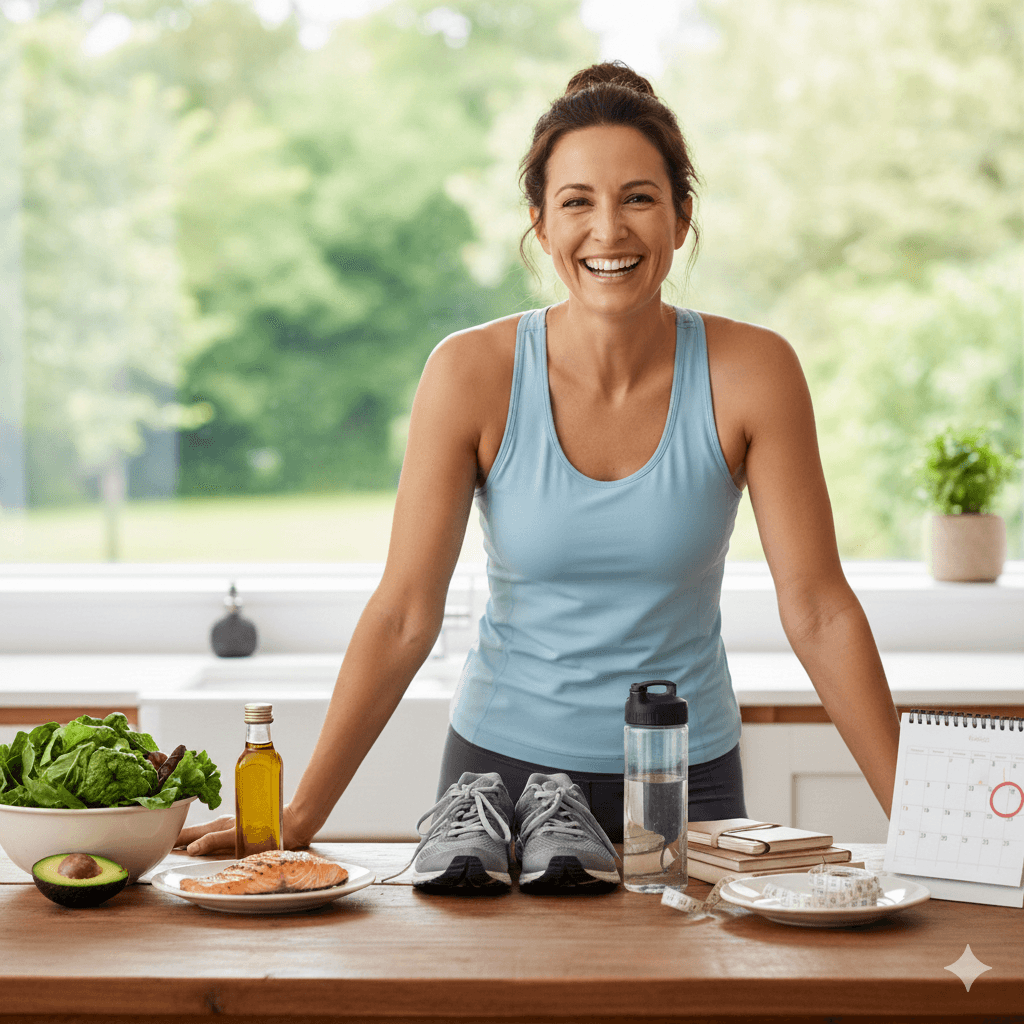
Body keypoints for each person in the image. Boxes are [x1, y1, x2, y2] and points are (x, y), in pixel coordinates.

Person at [178, 62, 900, 886]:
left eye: (637, 197)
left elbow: (819, 610)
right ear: (541, 224)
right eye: (577, 202)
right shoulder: (470, 373)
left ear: (681, 215)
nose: (609, 231)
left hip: (685, 783)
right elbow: (405, 615)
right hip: (498, 785)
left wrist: (922, 827)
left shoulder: (752, 372)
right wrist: (296, 818)